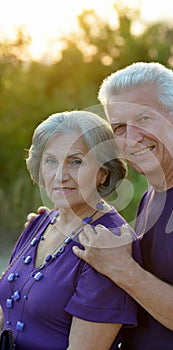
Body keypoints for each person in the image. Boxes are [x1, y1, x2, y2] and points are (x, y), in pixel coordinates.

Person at [24, 62, 173, 349]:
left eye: (145, 118)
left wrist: (124, 270)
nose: (132, 138)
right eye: (120, 126)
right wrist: (61, 226)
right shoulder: (152, 195)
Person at [0, 110, 142, 350]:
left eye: (76, 161)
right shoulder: (40, 222)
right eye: (50, 161)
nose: (59, 175)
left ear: (103, 171)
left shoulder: (108, 242)